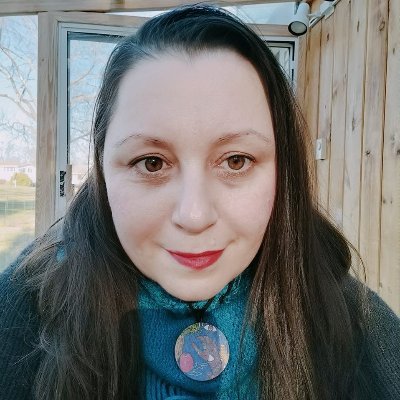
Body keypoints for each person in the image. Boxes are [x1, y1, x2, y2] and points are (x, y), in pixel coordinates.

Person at [0, 5, 399, 400]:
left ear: (284, 170)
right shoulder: (24, 309)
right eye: (152, 163)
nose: (194, 216)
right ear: (103, 170)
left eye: (236, 161)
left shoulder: (354, 320)